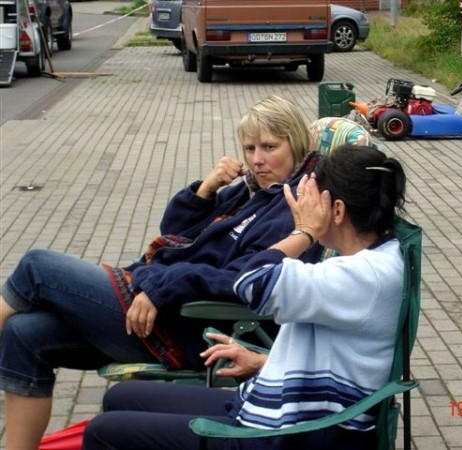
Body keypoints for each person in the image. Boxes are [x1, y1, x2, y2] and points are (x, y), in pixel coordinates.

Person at [0, 94, 324, 450]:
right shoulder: (256, 191)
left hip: (189, 325)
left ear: (295, 143)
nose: (257, 159)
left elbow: (245, 278)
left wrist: (162, 287)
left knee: (38, 267)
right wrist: (207, 189)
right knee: (23, 333)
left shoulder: (293, 207)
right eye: (249, 148)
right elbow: (174, 231)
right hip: (161, 302)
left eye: (269, 147)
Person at [82, 144, 408, 450]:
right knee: (120, 397)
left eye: (310, 200)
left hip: (287, 434)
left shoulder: (361, 276)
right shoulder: (380, 257)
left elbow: (251, 280)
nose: (301, 206)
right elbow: (349, 358)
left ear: (336, 210)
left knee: (103, 432)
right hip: (285, 406)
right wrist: (262, 362)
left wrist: (304, 232)